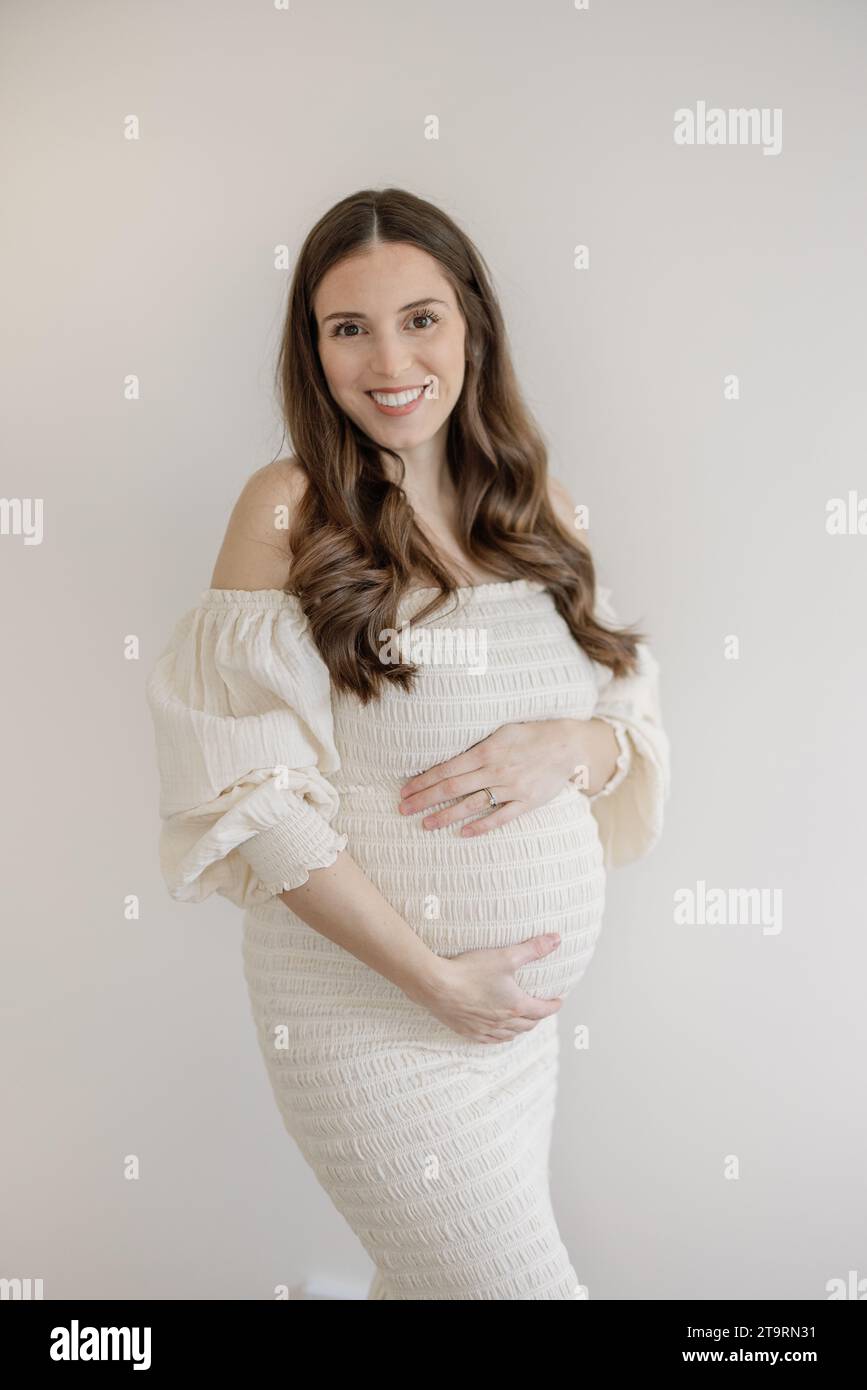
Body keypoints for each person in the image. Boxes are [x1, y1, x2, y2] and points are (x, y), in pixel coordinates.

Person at [146, 186, 671, 1300]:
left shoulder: (540, 511)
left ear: (471, 325)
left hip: (511, 1035)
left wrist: (572, 744)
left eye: (421, 317)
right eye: (349, 327)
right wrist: (436, 980)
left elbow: (629, 715)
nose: (390, 358)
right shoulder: (288, 507)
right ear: (313, 349)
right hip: (368, 1015)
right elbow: (254, 791)